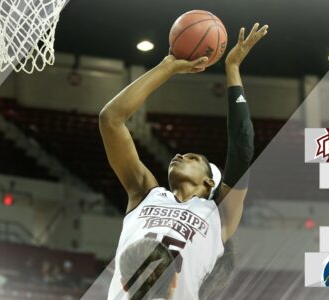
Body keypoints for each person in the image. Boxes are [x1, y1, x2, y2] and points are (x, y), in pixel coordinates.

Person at [100, 23, 269, 300]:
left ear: (209, 181)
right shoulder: (145, 192)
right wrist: (167, 67)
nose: (178, 156)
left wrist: (232, 68)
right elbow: (111, 119)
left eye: (192, 158)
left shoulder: (220, 215)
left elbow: (243, 144)